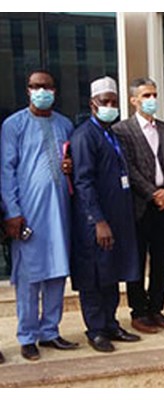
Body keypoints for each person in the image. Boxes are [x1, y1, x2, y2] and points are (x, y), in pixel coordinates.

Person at [1, 70, 78, 361]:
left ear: (55, 91)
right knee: (29, 277)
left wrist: (69, 166)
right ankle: (27, 335)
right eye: (36, 86)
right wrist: (12, 212)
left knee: (57, 271)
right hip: (28, 213)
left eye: (46, 86)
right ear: (28, 90)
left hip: (60, 210)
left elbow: (71, 161)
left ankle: (50, 331)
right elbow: (6, 171)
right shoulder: (14, 125)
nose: (41, 91)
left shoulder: (65, 124)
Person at [70, 76, 141, 352]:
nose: (110, 106)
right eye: (105, 102)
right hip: (95, 221)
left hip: (117, 216)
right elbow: (83, 182)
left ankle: (111, 323)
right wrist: (98, 221)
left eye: (113, 102)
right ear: (92, 104)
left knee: (112, 274)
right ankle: (96, 330)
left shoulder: (112, 134)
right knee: (93, 276)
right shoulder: (84, 136)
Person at [112, 78, 164, 334]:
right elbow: (128, 168)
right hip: (140, 206)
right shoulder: (122, 130)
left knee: (162, 261)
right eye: (146, 96)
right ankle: (139, 311)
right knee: (138, 261)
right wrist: (153, 193)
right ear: (134, 100)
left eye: (154, 94)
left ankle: (156, 309)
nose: (152, 99)